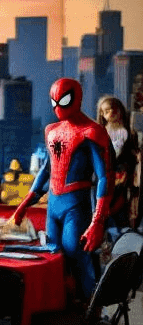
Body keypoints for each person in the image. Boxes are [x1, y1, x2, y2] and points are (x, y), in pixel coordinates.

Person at [13, 78, 112, 300]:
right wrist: (24, 204)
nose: (58, 107)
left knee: (77, 253)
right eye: (54, 101)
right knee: (54, 257)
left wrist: (98, 221)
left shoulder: (91, 131)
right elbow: (47, 169)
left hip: (75, 204)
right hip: (54, 204)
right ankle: (62, 306)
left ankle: (91, 308)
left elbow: (105, 177)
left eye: (63, 100)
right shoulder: (52, 130)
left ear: (76, 98)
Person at [97, 96, 138, 231]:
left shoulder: (129, 132)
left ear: (120, 110)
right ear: (102, 114)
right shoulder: (101, 132)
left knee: (120, 207)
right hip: (105, 175)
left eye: (113, 110)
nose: (110, 114)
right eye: (106, 111)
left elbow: (131, 154)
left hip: (122, 175)